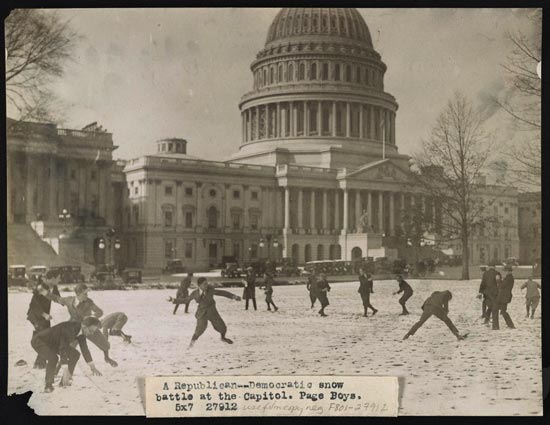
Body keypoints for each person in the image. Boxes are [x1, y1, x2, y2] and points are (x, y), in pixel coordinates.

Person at [48, 283, 118, 367]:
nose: (87, 295)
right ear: (78, 294)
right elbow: (57, 298)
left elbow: (99, 311)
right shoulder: (69, 300)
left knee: (104, 344)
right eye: (85, 294)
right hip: (74, 328)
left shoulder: (89, 302)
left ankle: (107, 357)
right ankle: (58, 368)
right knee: (68, 348)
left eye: (87, 293)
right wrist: (45, 293)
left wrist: (91, 316)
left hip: (89, 326)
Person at [31, 316, 103, 393]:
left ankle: (65, 380)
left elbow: (85, 349)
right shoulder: (69, 329)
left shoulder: (81, 331)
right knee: (53, 358)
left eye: (93, 332)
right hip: (40, 341)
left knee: (75, 354)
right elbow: (63, 348)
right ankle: (48, 385)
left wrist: (92, 367)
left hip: (54, 343)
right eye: (91, 331)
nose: (91, 334)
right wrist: (65, 369)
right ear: (84, 326)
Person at [169, 277, 241, 348]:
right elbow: (185, 300)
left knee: (222, 327)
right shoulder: (195, 293)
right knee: (200, 329)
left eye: (207, 283)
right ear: (199, 285)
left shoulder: (210, 289)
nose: (207, 285)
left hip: (212, 311)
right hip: (202, 313)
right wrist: (173, 300)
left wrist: (233, 296)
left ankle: (223, 338)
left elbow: (221, 293)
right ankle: (192, 343)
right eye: (205, 284)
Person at [27, 281, 60, 369]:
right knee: (43, 337)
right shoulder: (40, 288)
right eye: (58, 277)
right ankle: (40, 363)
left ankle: (40, 362)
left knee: (45, 336)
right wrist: (44, 314)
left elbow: (58, 299)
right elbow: (33, 305)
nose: (60, 279)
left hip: (44, 318)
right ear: (53, 278)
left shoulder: (53, 287)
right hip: (36, 317)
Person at [479, 262, 499, 328]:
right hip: (494, 292)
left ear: (489, 266)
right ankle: (494, 323)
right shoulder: (497, 273)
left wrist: (480, 292)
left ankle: (486, 319)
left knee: (490, 306)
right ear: (494, 266)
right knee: (494, 307)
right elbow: (499, 283)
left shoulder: (485, 273)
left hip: (486, 293)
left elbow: (483, 283)